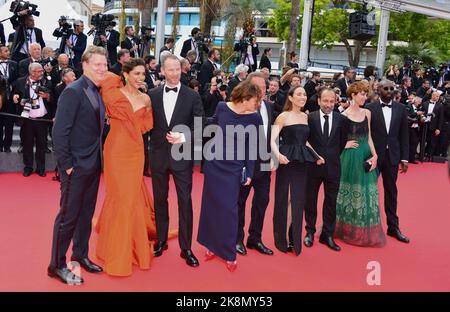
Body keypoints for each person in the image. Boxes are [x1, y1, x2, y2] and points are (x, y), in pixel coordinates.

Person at [95, 59, 167, 276]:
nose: (140, 78)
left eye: (143, 74)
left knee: (130, 197)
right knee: (120, 198)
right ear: (125, 74)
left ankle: (130, 244)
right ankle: (117, 251)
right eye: (136, 73)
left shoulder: (146, 99)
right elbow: (105, 77)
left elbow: (146, 127)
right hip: (115, 151)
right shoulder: (113, 92)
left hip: (136, 153)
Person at [48, 46, 108, 284]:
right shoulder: (73, 91)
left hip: (93, 165)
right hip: (76, 166)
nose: (102, 69)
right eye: (97, 65)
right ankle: (56, 265)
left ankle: (80, 255)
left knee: (86, 214)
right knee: (68, 217)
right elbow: (59, 132)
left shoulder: (95, 90)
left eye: (104, 64)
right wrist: (68, 166)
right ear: (84, 65)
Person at [198, 79, 263, 271]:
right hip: (214, 164)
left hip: (234, 168)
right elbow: (213, 123)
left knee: (229, 209)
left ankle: (228, 252)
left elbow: (253, 146)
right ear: (245, 98)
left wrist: (249, 171)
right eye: (255, 100)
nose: (257, 104)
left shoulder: (255, 118)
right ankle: (210, 245)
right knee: (211, 206)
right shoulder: (222, 107)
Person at [148, 54, 204, 267]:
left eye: (177, 69)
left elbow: (200, 125)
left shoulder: (192, 95)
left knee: (185, 201)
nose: (174, 73)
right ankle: (161, 240)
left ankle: (186, 247)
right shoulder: (152, 95)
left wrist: (182, 136)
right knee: (160, 200)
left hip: (182, 155)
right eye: (170, 70)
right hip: (159, 155)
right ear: (162, 71)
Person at [271, 86, 323, 255]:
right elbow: (272, 139)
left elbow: (306, 142)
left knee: (298, 199)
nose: (303, 97)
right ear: (291, 97)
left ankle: (293, 236)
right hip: (286, 160)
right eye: (299, 94)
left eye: (305, 94)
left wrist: (317, 156)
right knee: (284, 198)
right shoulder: (283, 116)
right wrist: (278, 155)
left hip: (302, 161)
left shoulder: (305, 117)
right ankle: (282, 238)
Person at [334, 81, 386, 247]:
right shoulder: (343, 116)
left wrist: (375, 155)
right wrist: (345, 144)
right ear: (352, 96)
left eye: (365, 94)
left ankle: (362, 228)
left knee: (367, 191)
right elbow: (336, 139)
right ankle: (346, 229)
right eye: (361, 94)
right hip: (349, 156)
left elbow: (369, 135)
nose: (364, 97)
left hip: (365, 154)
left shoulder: (367, 113)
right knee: (350, 190)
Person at [304, 88, 349, 252]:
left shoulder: (342, 120)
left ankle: (327, 235)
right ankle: (309, 231)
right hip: (313, 167)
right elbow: (306, 141)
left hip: (333, 166)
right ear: (319, 101)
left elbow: (342, 142)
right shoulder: (310, 118)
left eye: (332, 101)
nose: (328, 104)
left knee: (331, 202)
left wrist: (332, 156)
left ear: (335, 101)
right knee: (310, 200)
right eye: (325, 101)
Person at [367, 80, 410, 243]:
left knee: (391, 192)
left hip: (392, 157)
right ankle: (367, 227)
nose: (390, 91)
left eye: (392, 88)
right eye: (386, 88)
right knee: (369, 191)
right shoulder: (370, 108)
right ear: (379, 90)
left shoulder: (401, 108)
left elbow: (404, 135)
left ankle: (393, 227)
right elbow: (366, 134)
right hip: (373, 157)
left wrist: (404, 158)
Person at [236, 73, 275, 257]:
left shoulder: (270, 106)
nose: (262, 91)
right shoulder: (241, 108)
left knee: (262, 202)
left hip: (265, 164)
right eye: (257, 88)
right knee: (240, 202)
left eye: (264, 88)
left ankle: (255, 238)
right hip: (244, 164)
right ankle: (237, 239)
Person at [12, 62, 52, 177]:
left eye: (42, 71)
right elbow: (15, 94)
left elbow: (53, 97)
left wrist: (48, 97)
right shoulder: (20, 81)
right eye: (39, 71)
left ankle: (41, 168)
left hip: (42, 119)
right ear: (32, 72)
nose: (41, 73)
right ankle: (28, 167)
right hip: (27, 119)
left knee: (42, 145)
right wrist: (14, 97)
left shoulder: (47, 81)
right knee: (27, 144)